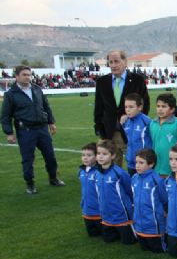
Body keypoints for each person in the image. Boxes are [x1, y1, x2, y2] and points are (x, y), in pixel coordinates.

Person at [1, 65, 65, 194]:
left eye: (29, 75)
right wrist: (9, 133)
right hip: (26, 131)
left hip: (42, 129)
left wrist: (51, 122)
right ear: (17, 76)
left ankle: (53, 178)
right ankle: (30, 184)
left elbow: (46, 106)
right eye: (24, 75)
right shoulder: (10, 94)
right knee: (28, 159)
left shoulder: (36, 89)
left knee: (50, 156)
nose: (27, 77)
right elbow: (5, 115)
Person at [94, 50, 150, 167]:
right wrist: (99, 128)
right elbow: (98, 107)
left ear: (125, 62)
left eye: (116, 61)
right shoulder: (102, 82)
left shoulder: (137, 80)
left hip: (132, 132)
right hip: (109, 132)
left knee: (136, 165)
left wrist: (132, 118)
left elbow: (145, 105)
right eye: (110, 62)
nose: (113, 65)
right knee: (112, 169)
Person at [95, 139, 135, 244]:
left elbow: (130, 190)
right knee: (108, 240)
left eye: (104, 154)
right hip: (106, 215)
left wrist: (132, 204)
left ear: (112, 156)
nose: (100, 156)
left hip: (122, 215)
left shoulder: (119, 173)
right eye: (98, 153)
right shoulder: (97, 173)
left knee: (128, 242)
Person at [131, 149, 168, 253]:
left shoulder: (157, 180)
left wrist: (163, 212)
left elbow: (164, 199)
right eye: (136, 162)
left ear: (151, 164)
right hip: (139, 223)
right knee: (144, 249)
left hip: (154, 224)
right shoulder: (134, 178)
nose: (137, 165)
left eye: (141, 163)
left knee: (157, 250)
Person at [150, 93, 177, 177]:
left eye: (164, 106)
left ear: (172, 109)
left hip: (172, 167)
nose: (160, 109)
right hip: (156, 167)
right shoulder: (152, 123)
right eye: (158, 106)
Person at [122, 93, 153, 176]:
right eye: (126, 107)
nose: (127, 110)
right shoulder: (126, 121)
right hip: (130, 163)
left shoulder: (147, 121)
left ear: (140, 107)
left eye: (131, 107)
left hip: (144, 162)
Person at [78, 142, 102, 237]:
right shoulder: (81, 171)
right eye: (83, 155)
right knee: (92, 235)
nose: (85, 157)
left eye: (89, 155)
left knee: (105, 236)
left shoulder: (99, 172)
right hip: (87, 210)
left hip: (99, 211)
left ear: (96, 157)